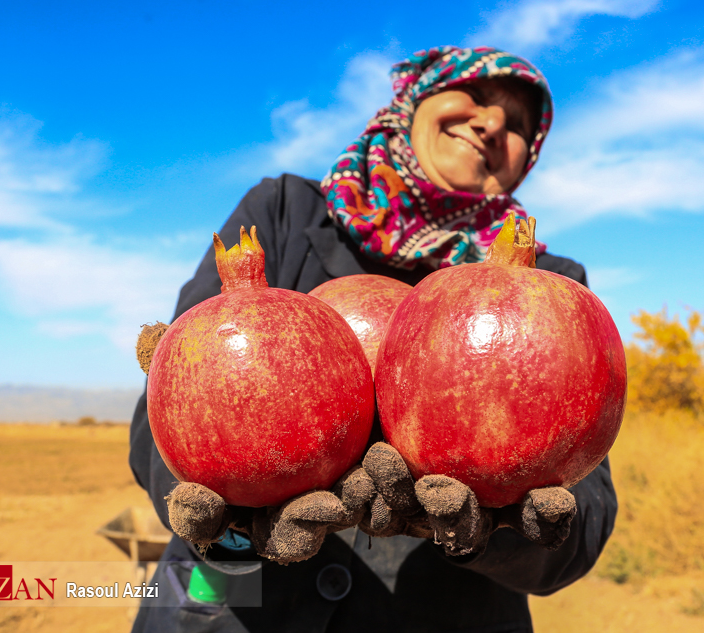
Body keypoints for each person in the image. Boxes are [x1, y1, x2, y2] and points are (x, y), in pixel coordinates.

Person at [128, 46, 618, 633]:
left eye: (518, 126)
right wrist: (234, 528)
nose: (493, 124)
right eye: (478, 97)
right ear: (414, 101)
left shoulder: (556, 286)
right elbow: (161, 419)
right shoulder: (282, 210)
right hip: (238, 612)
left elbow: (582, 519)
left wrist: (498, 531)